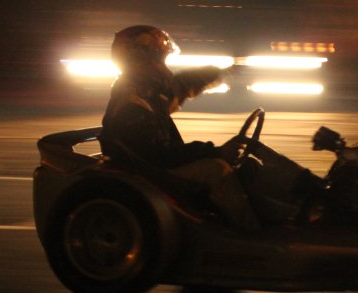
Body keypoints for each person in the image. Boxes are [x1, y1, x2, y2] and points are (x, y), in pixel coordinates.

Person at [100, 25, 259, 230]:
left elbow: (182, 85)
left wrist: (221, 73)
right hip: (153, 174)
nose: (163, 66)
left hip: (157, 165)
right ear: (141, 59)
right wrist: (217, 151)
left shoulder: (146, 91)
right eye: (159, 58)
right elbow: (163, 154)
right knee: (217, 169)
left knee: (247, 167)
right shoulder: (132, 102)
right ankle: (249, 232)